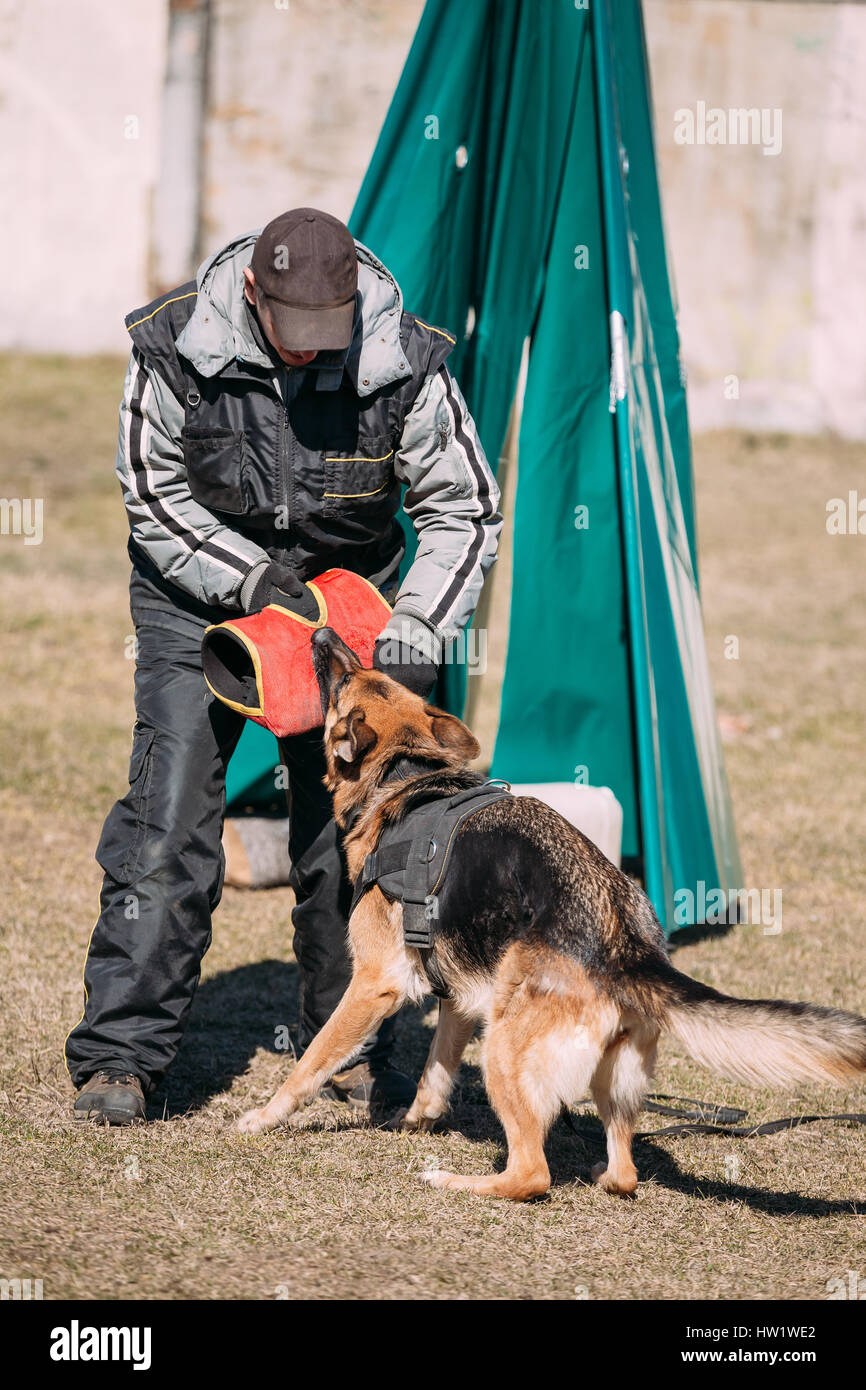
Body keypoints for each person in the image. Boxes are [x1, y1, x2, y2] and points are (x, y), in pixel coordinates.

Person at [65, 208, 502, 1124]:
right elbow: (151, 493)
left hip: (354, 608)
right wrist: (252, 578)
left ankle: (343, 1047)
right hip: (200, 600)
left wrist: (419, 624)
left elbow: (467, 508)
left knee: (349, 835)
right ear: (251, 293)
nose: (310, 356)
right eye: (290, 337)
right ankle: (123, 1058)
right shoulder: (173, 344)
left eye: (326, 337)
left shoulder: (408, 360)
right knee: (171, 814)